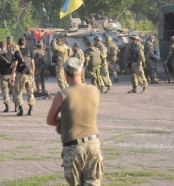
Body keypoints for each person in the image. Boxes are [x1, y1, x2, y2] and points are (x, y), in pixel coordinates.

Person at [46, 57, 104, 186]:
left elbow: (50, 120)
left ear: (66, 74)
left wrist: (62, 120)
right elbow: (84, 112)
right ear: (82, 71)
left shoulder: (62, 94)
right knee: (93, 182)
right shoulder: (94, 90)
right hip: (93, 143)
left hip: (74, 146)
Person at [9, 38, 35, 116]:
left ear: (18, 43)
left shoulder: (17, 52)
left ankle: (21, 110)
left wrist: (12, 75)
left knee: (18, 92)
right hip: (29, 74)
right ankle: (30, 109)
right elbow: (32, 63)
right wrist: (32, 73)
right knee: (30, 92)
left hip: (20, 75)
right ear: (25, 43)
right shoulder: (30, 51)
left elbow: (15, 65)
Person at [0, 41, 16, 112]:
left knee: (5, 91)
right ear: (6, 46)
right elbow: (15, 64)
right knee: (14, 91)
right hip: (12, 75)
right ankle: (16, 107)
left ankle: (7, 107)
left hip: (3, 75)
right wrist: (13, 74)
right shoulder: (12, 53)